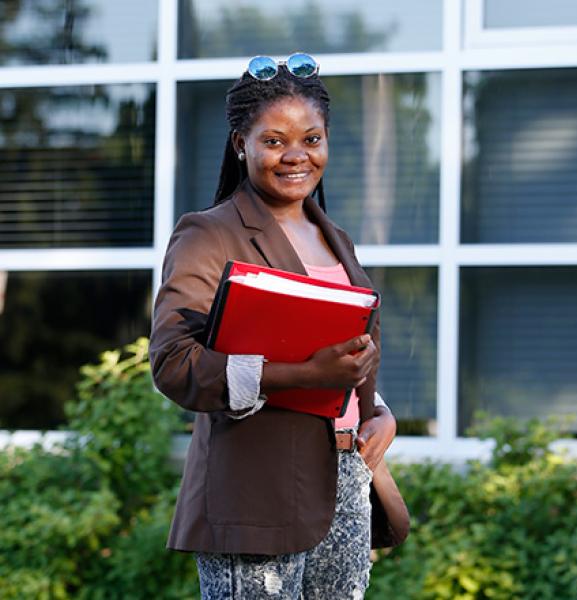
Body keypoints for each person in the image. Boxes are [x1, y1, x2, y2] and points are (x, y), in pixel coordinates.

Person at [149, 53, 409, 599]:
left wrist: (379, 413)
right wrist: (298, 373)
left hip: (344, 483)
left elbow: (345, 352)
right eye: (274, 141)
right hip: (255, 490)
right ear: (241, 143)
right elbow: (173, 363)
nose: (296, 156)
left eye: (312, 139)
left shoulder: (335, 238)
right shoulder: (210, 235)